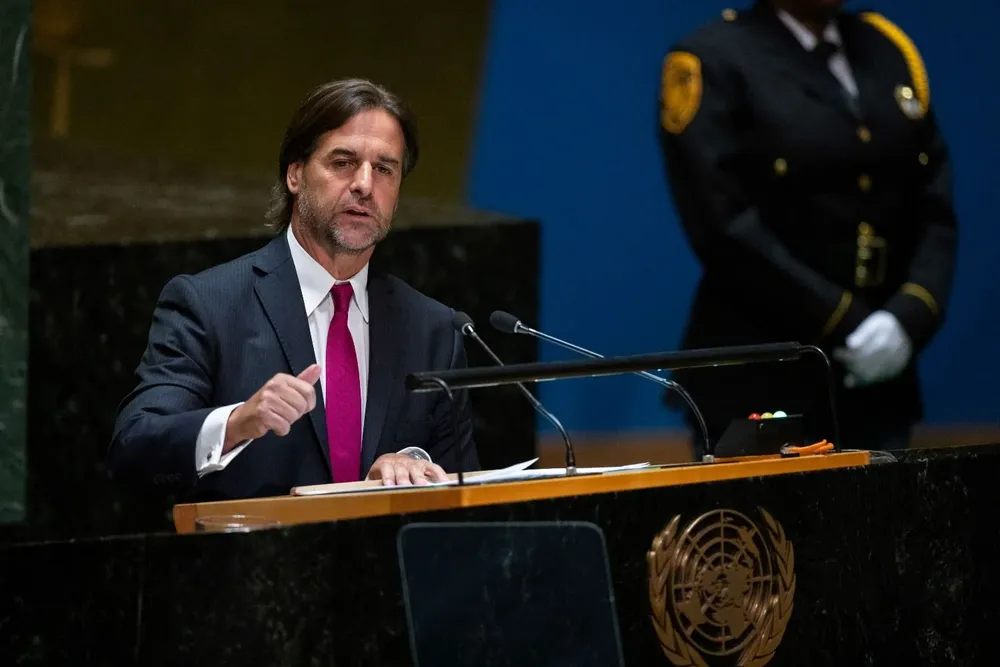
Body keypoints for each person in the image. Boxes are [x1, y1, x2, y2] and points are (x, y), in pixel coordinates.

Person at [109, 78, 478, 500]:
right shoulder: (210, 305)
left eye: (384, 169)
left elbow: (465, 498)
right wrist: (237, 423)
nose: (364, 184)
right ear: (295, 174)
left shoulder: (433, 330)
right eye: (343, 162)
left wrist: (412, 464)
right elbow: (134, 444)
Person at [659, 1, 957, 450]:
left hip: (878, 381)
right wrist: (846, 320)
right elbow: (723, 227)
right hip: (762, 374)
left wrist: (908, 316)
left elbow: (934, 203)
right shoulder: (714, 57)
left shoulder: (886, 48)